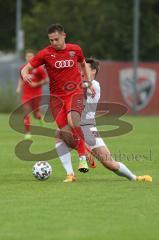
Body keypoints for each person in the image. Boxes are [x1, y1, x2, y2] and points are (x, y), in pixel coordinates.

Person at [55, 57, 152, 183]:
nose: (80, 70)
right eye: (80, 68)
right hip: (77, 126)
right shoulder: (78, 83)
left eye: (84, 68)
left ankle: (135, 178)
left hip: (88, 129)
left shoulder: (94, 85)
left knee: (110, 164)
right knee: (59, 133)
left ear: (94, 71)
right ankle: (70, 174)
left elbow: (80, 87)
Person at [21, 24, 95, 172]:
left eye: (56, 39)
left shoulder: (75, 49)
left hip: (75, 93)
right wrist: (24, 74)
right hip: (56, 99)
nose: (54, 43)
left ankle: (82, 160)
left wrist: (89, 81)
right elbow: (26, 68)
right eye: (51, 40)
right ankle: (85, 151)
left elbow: (83, 63)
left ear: (64, 36)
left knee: (73, 120)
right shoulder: (45, 54)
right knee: (66, 134)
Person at [16, 49, 48, 139]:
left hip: (37, 95)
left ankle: (39, 118)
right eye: (28, 56)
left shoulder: (39, 69)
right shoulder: (23, 68)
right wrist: (19, 88)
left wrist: (36, 84)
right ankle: (28, 132)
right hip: (26, 95)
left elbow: (46, 80)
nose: (29, 58)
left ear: (34, 57)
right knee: (26, 112)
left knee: (35, 114)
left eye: (31, 56)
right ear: (25, 58)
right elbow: (21, 79)